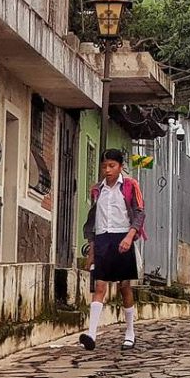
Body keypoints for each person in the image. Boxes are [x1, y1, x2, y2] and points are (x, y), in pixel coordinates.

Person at [79, 149, 146, 351]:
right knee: (100, 286)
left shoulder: (129, 186)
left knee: (124, 287)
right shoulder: (97, 190)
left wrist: (129, 236)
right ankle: (91, 334)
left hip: (122, 237)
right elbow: (93, 220)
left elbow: (140, 213)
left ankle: (130, 331)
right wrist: (91, 251)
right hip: (102, 239)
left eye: (111, 166)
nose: (107, 170)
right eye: (104, 166)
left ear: (120, 166)